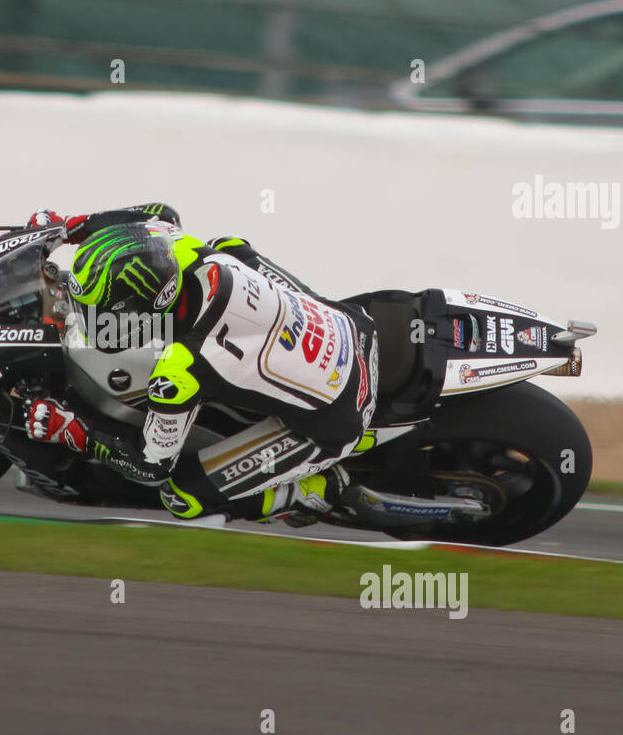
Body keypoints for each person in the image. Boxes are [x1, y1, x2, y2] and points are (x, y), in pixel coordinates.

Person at [22, 203, 380, 527]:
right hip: (354, 326)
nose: (89, 320)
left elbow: (150, 467)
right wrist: (71, 227)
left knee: (182, 496)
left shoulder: (181, 368)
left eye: (98, 314)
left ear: (142, 309)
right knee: (228, 247)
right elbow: (160, 213)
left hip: (343, 415)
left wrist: (73, 431)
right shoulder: (180, 248)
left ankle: (311, 492)